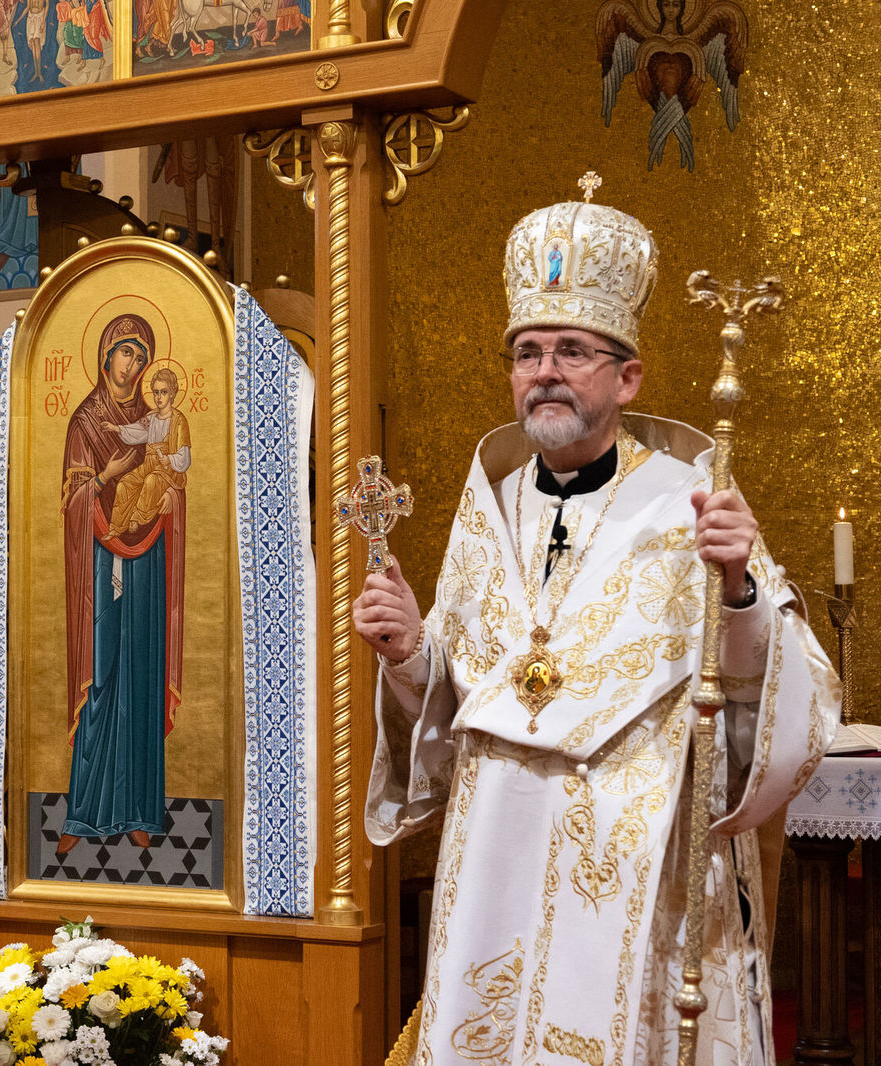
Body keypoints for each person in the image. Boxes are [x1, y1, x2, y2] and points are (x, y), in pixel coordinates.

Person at [354, 185, 839, 1064]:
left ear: (628, 377)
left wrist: (738, 590)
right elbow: (462, 705)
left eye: (573, 351)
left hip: (634, 870)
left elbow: (768, 709)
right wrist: (410, 653)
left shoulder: (691, 500)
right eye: (527, 352)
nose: (545, 371)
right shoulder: (489, 505)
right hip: (496, 859)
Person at [56, 315, 186, 856]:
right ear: (106, 354)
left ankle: (138, 810)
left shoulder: (155, 416)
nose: (133, 366)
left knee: (142, 674)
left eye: (141, 357)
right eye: (125, 353)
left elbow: (175, 475)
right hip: (100, 559)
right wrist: (106, 477)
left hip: (147, 557)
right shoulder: (85, 422)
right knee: (103, 671)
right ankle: (84, 813)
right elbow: (72, 501)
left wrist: (171, 496)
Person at [104, 365, 190, 540]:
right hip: (148, 465)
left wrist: (170, 459)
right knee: (125, 483)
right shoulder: (151, 418)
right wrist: (117, 428)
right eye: (156, 392)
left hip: (167, 470)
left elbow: (184, 456)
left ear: (172, 393)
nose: (159, 397)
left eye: (164, 392)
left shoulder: (179, 420)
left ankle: (136, 518)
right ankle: (116, 527)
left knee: (151, 481)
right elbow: (136, 431)